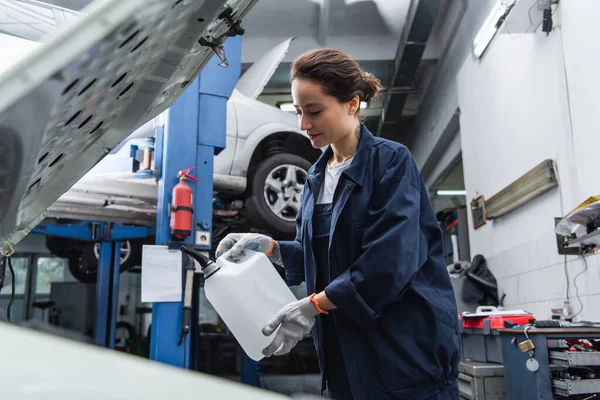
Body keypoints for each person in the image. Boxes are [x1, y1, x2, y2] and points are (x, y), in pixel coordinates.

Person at [216, 48, 461, 399]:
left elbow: (390, 262)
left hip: (406, 352)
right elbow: (315, 256)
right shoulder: (315, 178)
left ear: (352, 104)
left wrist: (313, 305)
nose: (303, 125)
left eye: (314, 111)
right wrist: (266, 247)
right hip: (345, 355)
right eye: (299, 112)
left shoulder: (390, 163)